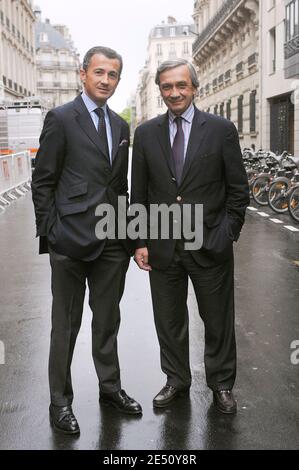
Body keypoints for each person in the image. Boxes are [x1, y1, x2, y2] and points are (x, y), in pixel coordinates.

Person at [31, 46, 142, 435]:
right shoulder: (61, 119)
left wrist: (130, 236)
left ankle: (110, 388)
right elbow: (43, 180)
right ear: (83, 74)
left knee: (108, 321)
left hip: (112, 242)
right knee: (66, 326)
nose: (105, 80)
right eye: (99, 72)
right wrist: (51, 235)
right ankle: (60, 402)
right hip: (70, 242)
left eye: (112, 75)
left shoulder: (121, 125)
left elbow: (120, 186)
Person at [131, 59, 250, 414]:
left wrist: (226, 233)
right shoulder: (147, 133)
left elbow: (238, 190)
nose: (174, 93)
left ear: (194, 87)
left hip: (210, 245)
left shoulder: (220, 129)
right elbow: (139, 193)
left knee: (217, 321)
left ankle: (222, 384)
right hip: (162, 246)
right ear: (160, 90)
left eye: (181, 85)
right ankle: (176, 380)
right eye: (167, 87)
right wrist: (139, 241)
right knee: (168, 320)